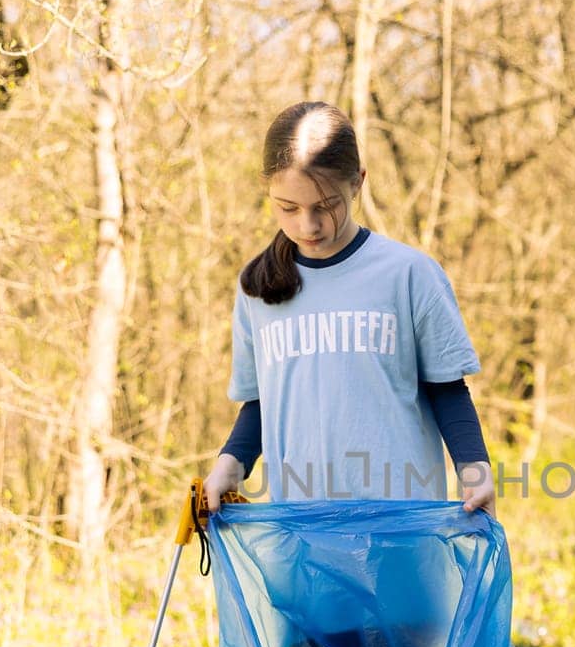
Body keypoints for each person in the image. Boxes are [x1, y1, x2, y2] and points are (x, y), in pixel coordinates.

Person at [203, 101, 495, 515]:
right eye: (288, 208)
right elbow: (260, 403)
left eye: (325, 205)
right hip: (301, 530)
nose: (308, 225)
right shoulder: (256, 287)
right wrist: (228, 466)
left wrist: (475, 470)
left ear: (357, 182)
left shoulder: (410, 274)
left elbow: (447, 390)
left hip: (401, 523)